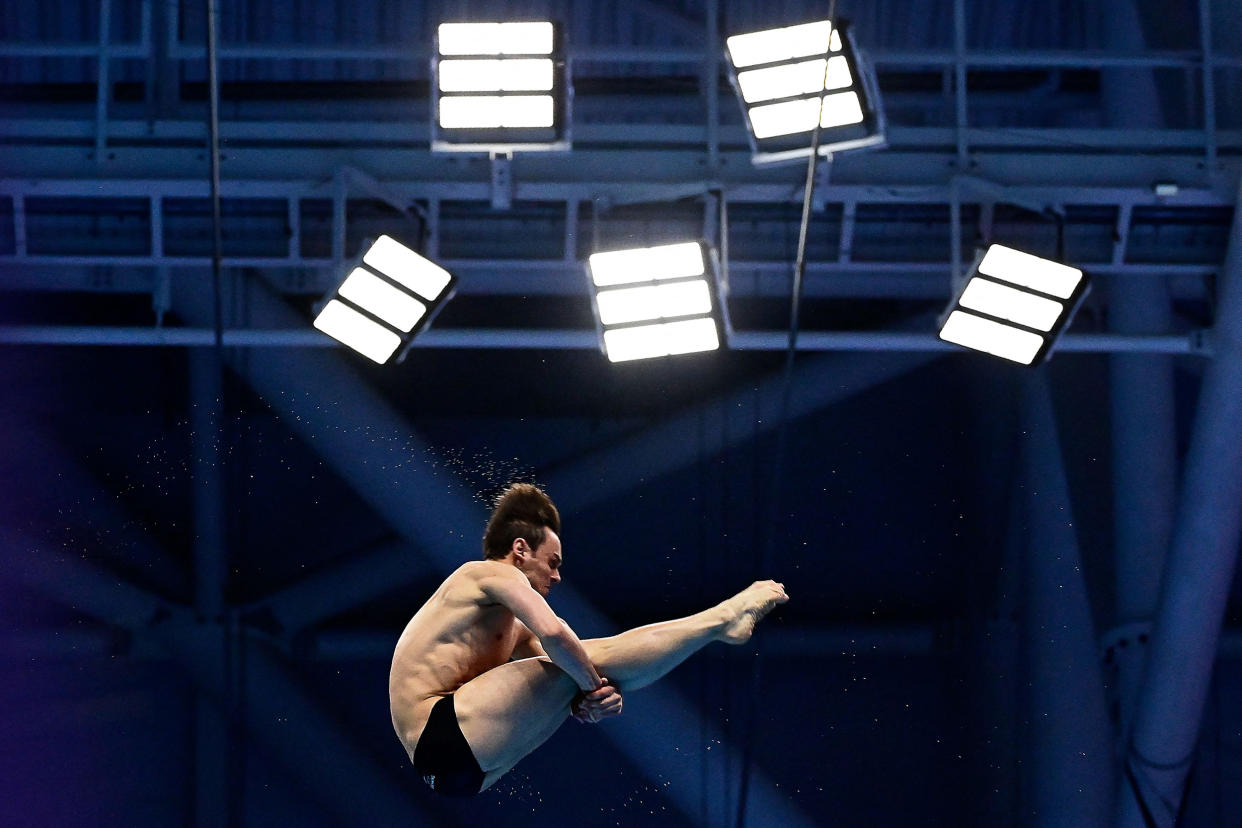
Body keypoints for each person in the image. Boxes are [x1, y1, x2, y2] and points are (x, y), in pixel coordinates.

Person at [389, 482, 789, 796]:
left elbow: (572, 664)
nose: (558, 576)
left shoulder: (510, 624)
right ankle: (722, 618)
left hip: (460, 772)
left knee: (580, 664)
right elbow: (556, 635)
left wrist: (589, 699)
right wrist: (594, 690)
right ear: (520, 549)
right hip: (438, 735)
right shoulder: (486, 573)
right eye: (553, 562)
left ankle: (719, 625)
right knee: (579, 656)